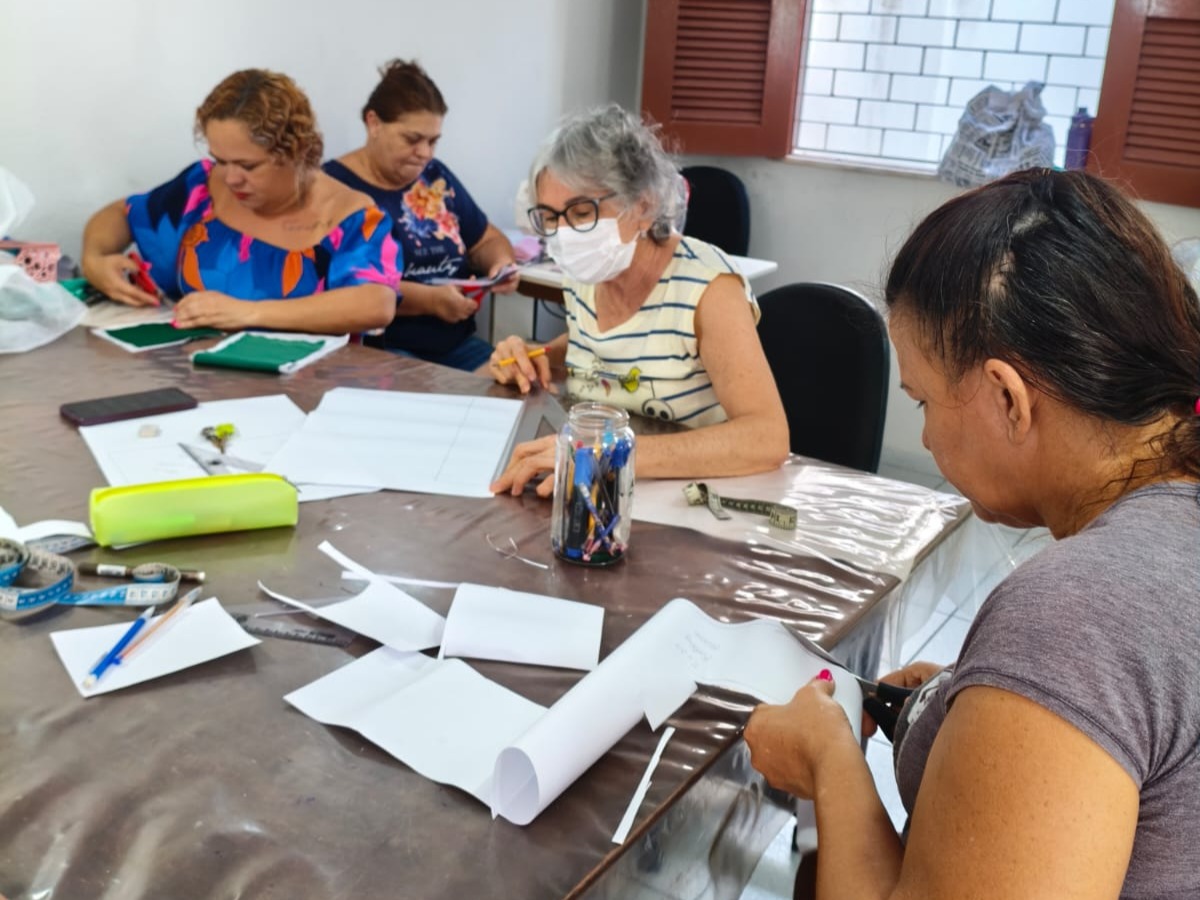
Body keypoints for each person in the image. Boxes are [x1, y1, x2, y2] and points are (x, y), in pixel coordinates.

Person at [745, 168, 1200, 899]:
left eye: (923, 401)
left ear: (1007, 398)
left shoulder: (1077, 613)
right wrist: (974, 705)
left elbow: (1094, 658)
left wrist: (830, 762)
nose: (925, 438)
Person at [489, 105, 789, 496]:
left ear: (644, 205)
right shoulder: (585, 274)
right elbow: (604, 349)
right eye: (549, 216)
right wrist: (535, 355)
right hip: (597, 485)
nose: (563, 235)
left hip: (687, 495)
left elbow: (766, 438)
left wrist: (611, 454)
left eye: (581, 212)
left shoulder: (708, 287)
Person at [81, 69, 398, 334]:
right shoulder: (203, 188)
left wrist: (247, 312)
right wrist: (95, 259)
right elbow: (121, 214)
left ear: (296, 152)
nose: (231, 178)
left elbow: (375, 304)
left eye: (248, 166)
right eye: (221, 160)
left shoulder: (350, 216)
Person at [324, 60, 518, 371]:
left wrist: (500, 264)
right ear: (374, 123)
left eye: (433, 141)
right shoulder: (334, 187)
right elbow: (341, 285)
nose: (426, 153)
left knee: (517, 379)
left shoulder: (435, 177)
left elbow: (486, 239)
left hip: (457, 344)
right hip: (384, 349)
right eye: (412, 139)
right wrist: (430, 301)